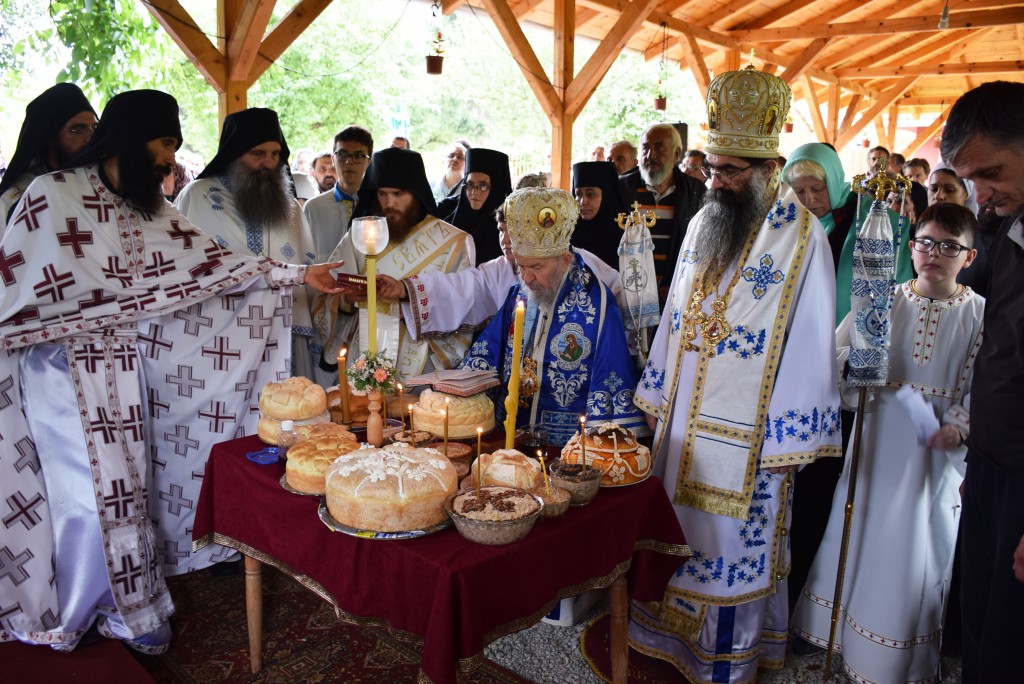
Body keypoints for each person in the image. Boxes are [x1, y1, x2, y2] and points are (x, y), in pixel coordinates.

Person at [0, 89, 343, 653]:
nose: (169, 159)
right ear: (132, 137)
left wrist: (296, 275)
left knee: (127, 486)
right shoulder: (51, 195)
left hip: (122, 369)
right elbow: (13, 290)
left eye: (174, 146)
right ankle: (82, 604)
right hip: (61, 373)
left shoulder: (150, 208)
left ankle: (127, 602)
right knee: (84, 493)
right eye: (164, 143)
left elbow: (214, 267)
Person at [628, 66, 841, 683]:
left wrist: (785, 446)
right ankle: (667, 645)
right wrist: (656, 395)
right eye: (712, 167)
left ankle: (726, 662)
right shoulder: (703, 222)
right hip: (682, 428)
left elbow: (809, 345)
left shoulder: (803, 240)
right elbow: (676, 315)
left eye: (729, 172)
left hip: (753, 446)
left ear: (770, 168)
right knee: (675, 536)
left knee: (731, 552)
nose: (714, 181)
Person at [791, 202, 983, 682]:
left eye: (949, 247)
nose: (934, 254)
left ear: (969, 257)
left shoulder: (980, 314)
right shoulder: (883, 301)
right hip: (877, 437)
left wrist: (959, 425)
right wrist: (858, 368)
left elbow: (985, 386)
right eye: (925, 242)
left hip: (933, 455)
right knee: (859, 535)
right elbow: (836, 357)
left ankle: (897, 660)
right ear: (910, 247)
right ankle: (842, 639)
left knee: (916, 552)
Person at [940, 80, 1024, 683]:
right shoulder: (1009, 225)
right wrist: (981, 459)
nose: (981, 196)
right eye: (971, 180)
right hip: (995, 464)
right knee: (980, 623)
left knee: (1009, 641)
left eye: (991, 173)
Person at [460, 187, 646, 445]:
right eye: (521, 266)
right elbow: (489, 348)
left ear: (565, 260)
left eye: (537, 267)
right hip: (512, 433)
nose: (527, 278)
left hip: (569, 444)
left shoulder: (599, 306)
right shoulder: (519, 294)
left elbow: (611, 379)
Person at [175, 107, 320, 381]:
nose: (269, 162)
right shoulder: (198, 196)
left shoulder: (289, 207)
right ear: (234, 153)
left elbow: (306, 266)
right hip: (221, 341)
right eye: (258, 153)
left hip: (283, 335)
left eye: (275, 154)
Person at [313, 147, 475, 379]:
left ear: (416, 193)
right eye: (382, 194)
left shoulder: (454, 242)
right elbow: (325, 295)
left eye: (398, 194)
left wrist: (411, 307)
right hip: (363, 354)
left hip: (423, 364)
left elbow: (463, 305)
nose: (389, 203)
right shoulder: (361, 235)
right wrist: (346, 301)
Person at [374, 205, 622, 340]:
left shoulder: (581, 262)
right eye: (501, 230)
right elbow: (462, 288)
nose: (506, 240)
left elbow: (620, 294)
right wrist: (404, 289)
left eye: (513, 232)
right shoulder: (500, 269)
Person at [783, 142, 913, 325]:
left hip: (857, 330)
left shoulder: (879, 221)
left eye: (817, 189)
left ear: (833, 181)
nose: (809, 199)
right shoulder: (790, 221)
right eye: (799, 191)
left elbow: (899, 288)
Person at [620, 123, 706, 304]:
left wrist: (676, 286)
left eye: (659, 147)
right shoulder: (621, 188)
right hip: (627, 298)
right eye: (645, 148)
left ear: (676, 154)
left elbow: (701, 248)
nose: (650, 155)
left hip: (675, 296)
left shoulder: (695, 192)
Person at [0, 83, 97, 223]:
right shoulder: (19, 197)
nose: (89, 139)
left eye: (95, 128)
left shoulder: (100, 189)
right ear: (50, 138)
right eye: (78, 130)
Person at [302, 125, 373, 262]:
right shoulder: (314, 208)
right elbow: (304, 258)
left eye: (358, 156)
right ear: (333, 159)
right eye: (342, 154)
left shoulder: (377, 205)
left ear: (369, 162)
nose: (349, 162)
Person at [436, 147, 512, 265]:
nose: (474, 192)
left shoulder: (510, 225)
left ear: (497, 189)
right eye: (470, 185)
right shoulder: (445, 211)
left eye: (483, 186)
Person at [571, 160, 628, 269]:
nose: (583, 202)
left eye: (590, 194)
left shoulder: (626, 235)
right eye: (578, 194)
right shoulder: (568, 233)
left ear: (606, 196)